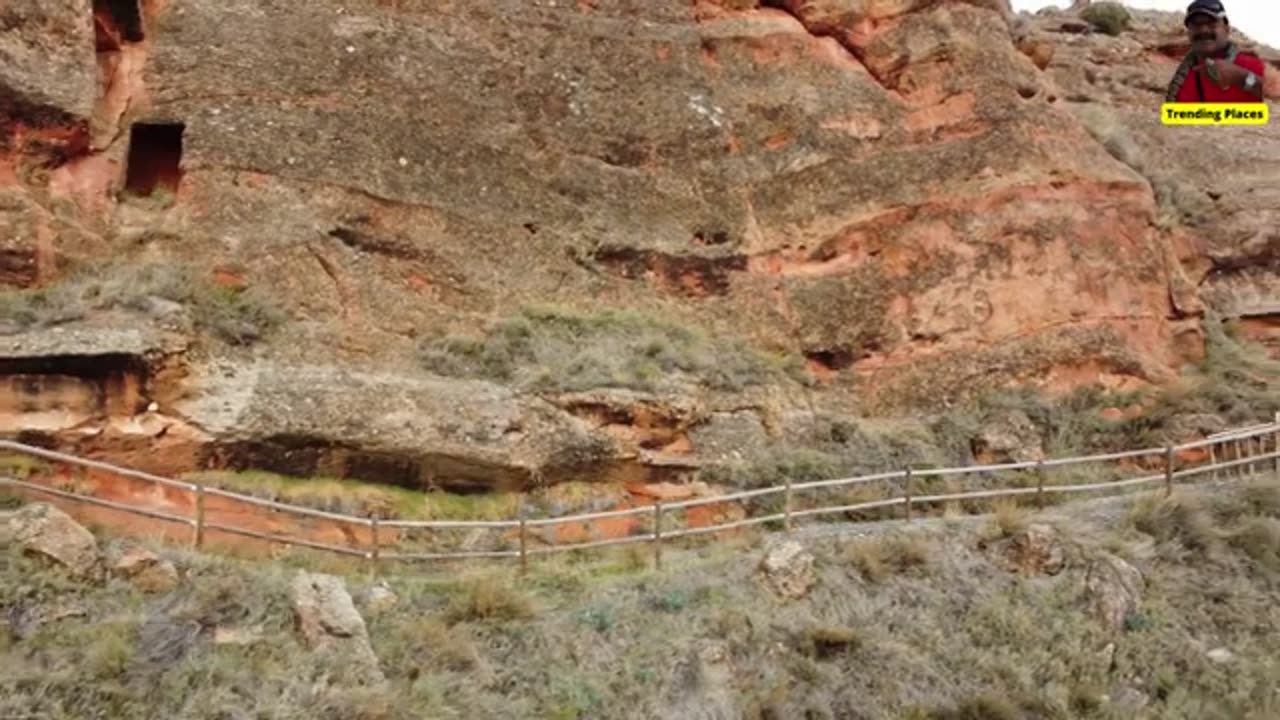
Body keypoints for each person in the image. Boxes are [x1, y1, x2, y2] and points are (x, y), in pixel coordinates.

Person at [1164, 0, 1264, 104]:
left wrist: (1241, 78)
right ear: (1188, 32)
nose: (1203, 30)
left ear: (1226, 29)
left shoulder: (1255, 66)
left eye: (1211, 23)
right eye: (1196, 25)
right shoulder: (1180, 83)